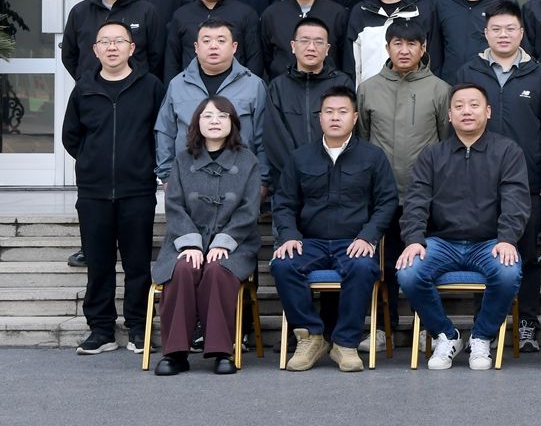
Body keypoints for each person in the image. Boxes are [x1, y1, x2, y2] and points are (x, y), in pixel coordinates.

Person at [397, 83, 531, 371]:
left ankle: (482, 336)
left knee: (508, 272)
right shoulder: (433, 155)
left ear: (488, 111)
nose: (466, 111)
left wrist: (507, 238)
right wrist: (414, 239)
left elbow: (516, 200)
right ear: (449, 115)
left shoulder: (507, 151)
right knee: (408, 272)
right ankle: (446, 335)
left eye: (474, 105)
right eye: (458, 106)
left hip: (489, 242)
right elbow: (416, 200)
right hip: (442, 242)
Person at [271, 86, 398, 372]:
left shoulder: (372, 157)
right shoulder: (301, 157)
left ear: (355, 117)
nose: (335, 117)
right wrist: (289, 235)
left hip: (352, 241)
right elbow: (284, 202)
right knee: (282, 264)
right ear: (320, 118)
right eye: (329, 112)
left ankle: (345, 343)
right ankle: (311, 337)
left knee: (363, 267)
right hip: (311, 242)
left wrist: (368, 236)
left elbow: (387, 202)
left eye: (342, 112)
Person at [453, 0, 541, 354]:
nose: (503, 35)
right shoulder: (468, 71)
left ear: (521, 33)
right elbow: (456, 128)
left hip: (527, 182)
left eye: (510, 29)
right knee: (484, 253)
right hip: (477, 182)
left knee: (525, 255)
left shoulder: (540, 74)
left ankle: (527, 324)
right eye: (496, 29)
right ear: (486, 33)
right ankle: (485, 327)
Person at [63, 21, 162, 355]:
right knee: (98, 264)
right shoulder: (84, 87)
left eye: (119, 41)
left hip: (138, 190)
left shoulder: (150, 86)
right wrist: (92, 161)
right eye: (104, 41)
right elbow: (71, 135)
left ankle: (138, 328)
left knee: (137, 265)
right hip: (94, 191)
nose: (112, 47)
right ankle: (101, 330)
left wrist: (144, 164)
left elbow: (160, 132)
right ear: (95, 50)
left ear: (131, 48)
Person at [149, 97, 262, 376]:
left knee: (217, 269)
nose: (215, 121)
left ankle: (221, 351)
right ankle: (175, 353)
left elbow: (249, 210)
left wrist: (223, 242)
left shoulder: (248, 161)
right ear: (197, 122)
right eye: (208, 116)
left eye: (222, 116)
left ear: (232, 123)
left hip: (235, 244)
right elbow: (174, 206)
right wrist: (190, 243)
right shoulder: (182, 160)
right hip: (184, 241)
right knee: (183, 269)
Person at [357, 17, 450, 344]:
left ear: (423, 48)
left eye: (412, 44)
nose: (404, 50)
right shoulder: (368, 89)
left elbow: (446, 142)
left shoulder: (440, 89)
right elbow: (363, 140)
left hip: (426, 196)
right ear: (388, 48)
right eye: (398, 43)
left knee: (422, 263)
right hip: (383, 195)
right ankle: (384, 327)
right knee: (385, 265)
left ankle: (427, 328)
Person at [154, 20, 269, 189]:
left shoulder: (253, 85)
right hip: (188, 181)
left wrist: (263, 181)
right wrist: (167, 177)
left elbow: (264, 137)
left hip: (240, 181)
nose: (213, 46)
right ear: (196, 47)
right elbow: (165, 131)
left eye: (221, 40)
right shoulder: (178, 85)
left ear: (234, 47)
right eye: (206, 41)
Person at [263, 16, 355, 192]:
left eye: (319, 42)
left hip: (334, 180)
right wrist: (297, 171)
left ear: (327, 49)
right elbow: (274, 138)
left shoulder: (342, 84)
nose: (311, 48)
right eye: (304, 41)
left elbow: (348, 133)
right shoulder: (278, 87)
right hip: (289, 182)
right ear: (293, 46)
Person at [63, 0, 161, 82]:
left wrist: (142, 85)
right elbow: (69, 55)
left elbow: (156, 56)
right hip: (91, 90)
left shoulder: (146, 11)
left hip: (136, 90)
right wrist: (84, 81)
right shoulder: (80, 11)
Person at [165, 0, 265, 79]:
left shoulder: (246, 14)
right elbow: (172, 63)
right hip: (190, 88)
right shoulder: (181, 15)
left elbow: (255, 60)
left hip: (236, 88)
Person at [260, 0, 349, 78]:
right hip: (284, 86)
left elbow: (344, 58)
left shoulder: (337, 13)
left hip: (328, 86)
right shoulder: (272, 14)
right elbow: (267, 58)